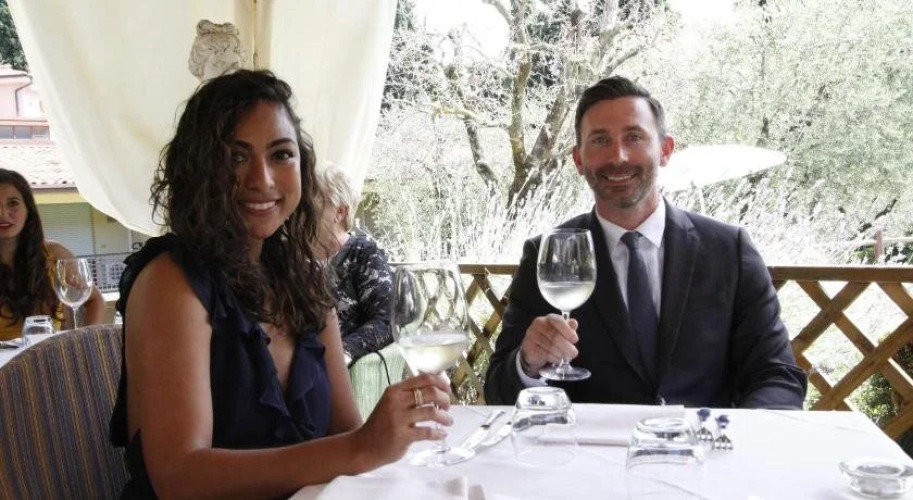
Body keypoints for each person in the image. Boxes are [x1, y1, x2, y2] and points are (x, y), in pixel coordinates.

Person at [109, 70, 452, 498]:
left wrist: (383, 436)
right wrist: (360, 447)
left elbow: (345, 435)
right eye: (236, 157)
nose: (263, 179)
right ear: (199, 169)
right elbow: (179, 477)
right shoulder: (171, 283)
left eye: (281, 155)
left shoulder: (303, 280)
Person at [485, 76, 807, 410]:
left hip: (705, 442)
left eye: (634, 137)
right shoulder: (547, 254)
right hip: (590, 444)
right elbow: (496, 392)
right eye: (600, 140)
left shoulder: (729, 250)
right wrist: (527, 363)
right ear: (579, 160)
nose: (618, 156)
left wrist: (738, 436)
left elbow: (776, 376)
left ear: (665, 150)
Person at [0, 168, 104, 340]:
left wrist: (86, 341)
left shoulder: (54, 255)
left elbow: (94, 300)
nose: (2, 213)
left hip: (48, 355)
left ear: (28, 209)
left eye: (13, 203)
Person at [316, 166, 393, 366]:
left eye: (313, 198)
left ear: (340, 212)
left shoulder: (363, 253)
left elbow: (388, 320)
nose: (301, 206)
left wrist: (341, 353)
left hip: (338, 370)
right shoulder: (290, 258)